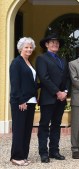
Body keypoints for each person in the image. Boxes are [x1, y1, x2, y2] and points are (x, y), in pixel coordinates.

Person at [36, 34, 69, 163]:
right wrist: (57, 92)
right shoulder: (41, 59)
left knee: (56, 125)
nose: (55, 44)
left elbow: (67, 78)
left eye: (57, 42)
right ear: (46, 45)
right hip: (48, 98)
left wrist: (65, 92)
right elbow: (44, 78)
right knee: (44, 126)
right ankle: (43, 153)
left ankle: (54, 151)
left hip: (61, 99)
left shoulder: (63, 60)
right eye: (52, 42)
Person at [9, 37, 38, 166]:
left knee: (27, 130)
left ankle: (23, 156)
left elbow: (31, 83)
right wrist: (21, 100)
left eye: (31, 47)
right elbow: (15, 84)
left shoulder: (28, 63)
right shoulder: (16, 62)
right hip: (20, 102)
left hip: (30, 101)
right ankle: (16, 157)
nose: (29, 49)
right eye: (26, 47)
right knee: (19, 130)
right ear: (21, 48)